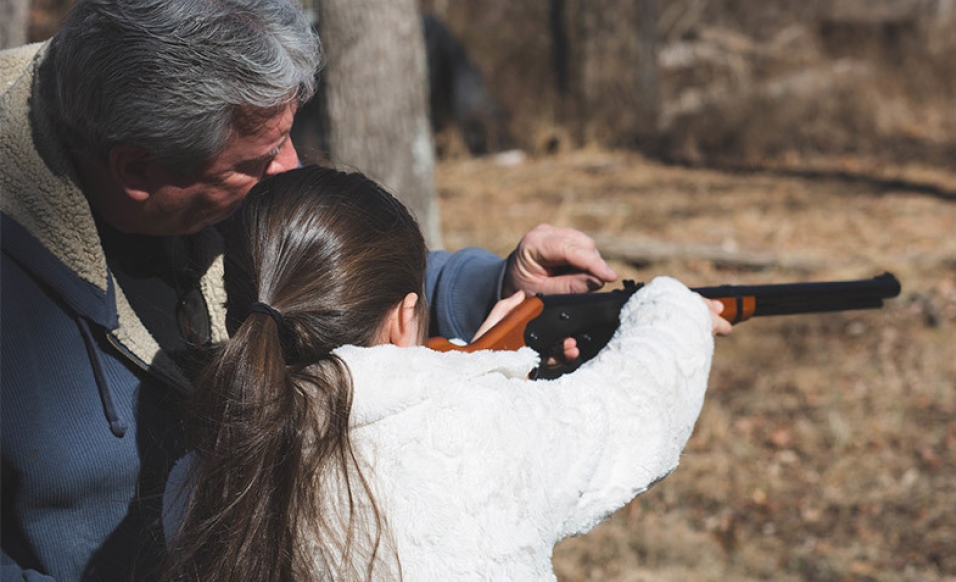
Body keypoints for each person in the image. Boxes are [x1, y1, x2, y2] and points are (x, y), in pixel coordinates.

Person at [0, 1, 616, 580]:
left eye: (288, 137)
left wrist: (493, 287)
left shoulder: (185, 148)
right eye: (258, 159)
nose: (291, 167)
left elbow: (335, 281)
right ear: (139, 169)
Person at [160, 166, 729, 581]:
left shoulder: (202, 474)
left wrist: (474, 366)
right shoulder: (480, 426)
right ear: (404, 318)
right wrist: (677, 313)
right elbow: (632, 414)